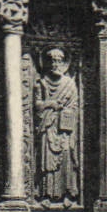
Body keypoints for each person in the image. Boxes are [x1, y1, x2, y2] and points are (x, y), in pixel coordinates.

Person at [32, 46, 82, 203]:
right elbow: (37, 104)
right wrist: (51, 104)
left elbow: (74, 105)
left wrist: (66, 112)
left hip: (64, 127)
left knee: (66, 156)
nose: (55, 64)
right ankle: (45, 194)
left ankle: (67, 193)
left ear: (64, 63)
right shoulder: (41, 83)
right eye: (52, 61)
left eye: (58, 61)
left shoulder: (69, 84)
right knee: (47, 159)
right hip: (48, 125)